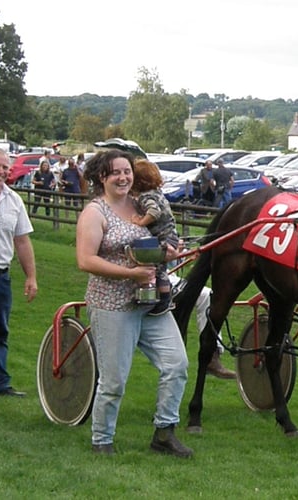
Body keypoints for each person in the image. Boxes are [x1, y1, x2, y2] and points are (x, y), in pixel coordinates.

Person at [76, 149, 192, 457]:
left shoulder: (142, 203)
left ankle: (164, 433)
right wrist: (131, 272)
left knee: (176, 365)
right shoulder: (95, 213)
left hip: (151, 302)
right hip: (112, 304)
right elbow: (85, 260)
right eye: (116, 172)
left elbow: (156, 241)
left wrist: (168, 252)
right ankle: (102, 441)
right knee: (113, 381)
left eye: (127, 171)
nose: (124, 177)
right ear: (102, 177)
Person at [0, 146, 38, 397]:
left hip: (0, 278)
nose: (0, 171)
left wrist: (31, 276)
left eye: (5, 167)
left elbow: (22, 241)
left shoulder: (14, 201)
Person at [130, 159, 180, 316]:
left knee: (158, 269)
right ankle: (164, 297)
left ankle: (164, 300)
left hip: (163, 237)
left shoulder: (146, 197)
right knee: (161, 268)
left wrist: (140, 222)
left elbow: (154, 212)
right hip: (171, 234)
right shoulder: (157, 193)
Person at [169, 275, 236, 379]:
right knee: (205, 295)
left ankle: (212, 356)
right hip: (153, 275)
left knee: (206, 295)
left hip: (165, 273)